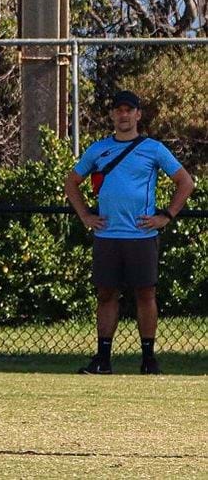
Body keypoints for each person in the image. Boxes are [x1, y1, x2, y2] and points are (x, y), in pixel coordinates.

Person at [64, 89, 194, 376]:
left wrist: (166, 216)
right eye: (118, 110)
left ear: (138, 114)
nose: (123, 115)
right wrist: (85, 215)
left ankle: (148, 359)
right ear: (112, 115)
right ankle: (102, 359)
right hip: (107, 236)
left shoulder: (154, 149)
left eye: (129, 110)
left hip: (142, 236)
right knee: (106, 294)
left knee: (145, 294)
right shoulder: (97, 149)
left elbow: (185, 182)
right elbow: (72, 182)